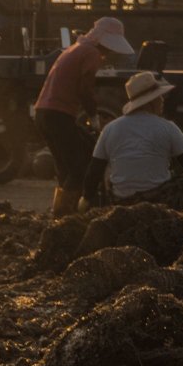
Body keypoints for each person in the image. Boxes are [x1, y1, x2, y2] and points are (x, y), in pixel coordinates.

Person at [34, 17, 135, 218]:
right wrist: (93, 116)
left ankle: (63, 215)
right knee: (80, 167)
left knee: (65, 167)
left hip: (43, 112)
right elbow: (85, 89)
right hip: (59, 114)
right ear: (105, 41)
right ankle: (65, 215)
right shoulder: (91, 53)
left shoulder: (75, 48)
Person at [82, 71, 183, 209]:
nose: (163, 101)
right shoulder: (167, 127)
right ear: (150, 102)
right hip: (159, 200)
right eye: (159, 97)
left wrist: (85, 198)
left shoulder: (110, 129)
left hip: (121, 201)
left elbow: (94, 171)